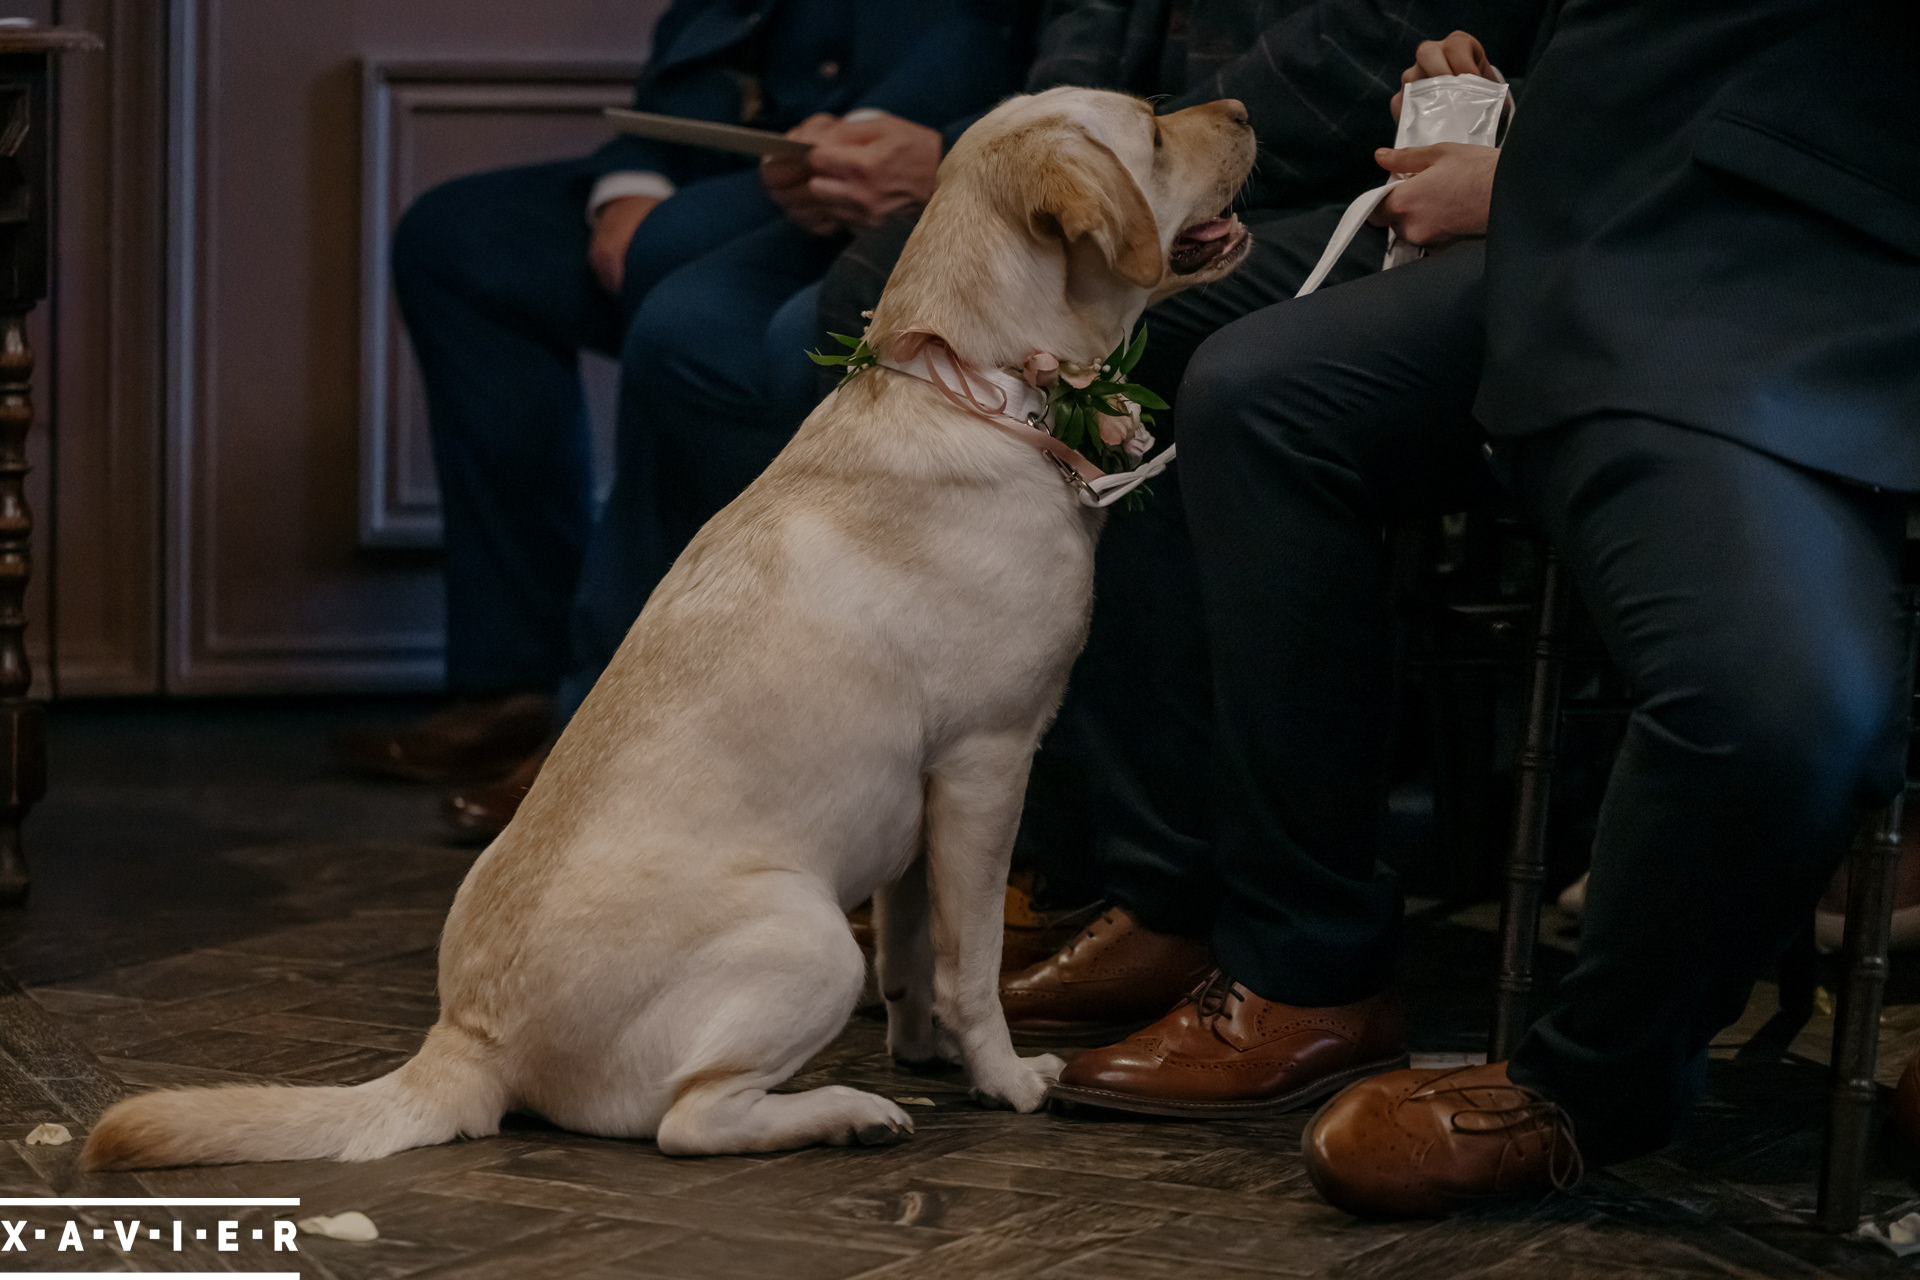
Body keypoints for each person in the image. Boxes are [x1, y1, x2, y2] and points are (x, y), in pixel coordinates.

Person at [1062, 0, 1920, 1216]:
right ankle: (1298, 962)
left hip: (1810, 246)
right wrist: (1521, 129)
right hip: (1664, 218)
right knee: (1260, 389)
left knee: (1777, 702)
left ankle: (1591, 1073)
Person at [805, 0, 1544, 1042]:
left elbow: (1361, 44)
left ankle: (1182, 897)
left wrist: (1147, 163)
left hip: (1348, 164)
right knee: (877, 298)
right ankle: (1017, 846)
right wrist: (1055, 147)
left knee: (1171, 369)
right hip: (1167, 135)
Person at [336, 0, 1026, 830]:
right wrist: (630, 184)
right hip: (742, 168)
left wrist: (951, 150)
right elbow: (698, 38)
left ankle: (614, 714)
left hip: (897, 173)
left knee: (677, 278)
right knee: (461, 240)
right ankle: (518, 676)